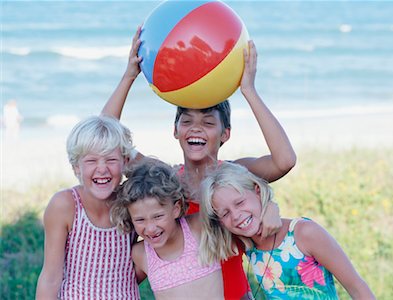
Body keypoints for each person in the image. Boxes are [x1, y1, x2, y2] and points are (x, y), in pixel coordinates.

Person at [102, 27, 297, 299]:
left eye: (208, 122)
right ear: (175, 130)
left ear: (225, 134)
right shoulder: (163, 181)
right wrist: (128, 77)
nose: (196, 129)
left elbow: (285, 160)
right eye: (187, 121)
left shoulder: (235, 177)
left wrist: (249, 91)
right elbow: (106, 143)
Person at [199, 162, 376, 299]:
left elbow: (359, 290)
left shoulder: (304, 233)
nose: (236, 215)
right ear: (220, 221)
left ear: (258, 191)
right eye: (225, 213)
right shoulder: (246, 245)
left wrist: (271, 205)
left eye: (239, 203)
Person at [36, 115, 141, 299]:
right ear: (76, 167)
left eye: (111, 160)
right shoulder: (65, 205)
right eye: (91, 161)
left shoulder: (132, 202)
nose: (102, 169)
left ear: (125, 161)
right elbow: (50, 278)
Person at [110, 158, 224, 299]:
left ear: (176, 209)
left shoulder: (198, 227)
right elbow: (118, 285)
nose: (150, 228)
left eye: (158, 216)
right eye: (140, 220)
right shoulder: (141, 253)